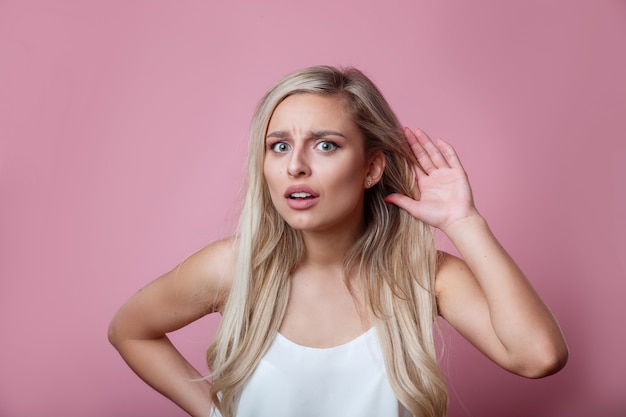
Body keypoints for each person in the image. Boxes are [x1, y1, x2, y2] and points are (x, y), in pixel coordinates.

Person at [108, 65, 568, 417]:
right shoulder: (232, 268)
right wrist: (215, 412)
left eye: (325, 145)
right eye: (279, 145)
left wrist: (464, 222)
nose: (296, 166)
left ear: (370, 169)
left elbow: (538, 357)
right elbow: (130, 330)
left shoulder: (426, 276)